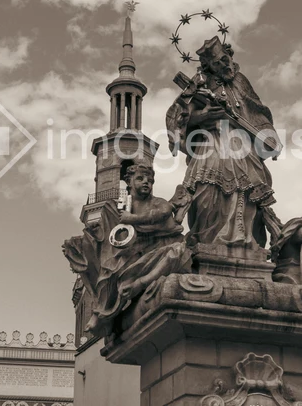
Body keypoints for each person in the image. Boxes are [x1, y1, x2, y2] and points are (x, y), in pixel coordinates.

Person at [166, 36, 282, 249]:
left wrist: (268, 136)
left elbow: (257, 111)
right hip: (212, 141)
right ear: (208, 66)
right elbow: (180, 114)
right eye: (217, 63)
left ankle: (245, 241)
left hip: (242, 144)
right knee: (206, 192)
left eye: (225, 59)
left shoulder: (240, 81)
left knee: (249, 191)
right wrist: (203, 116)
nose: (225, 65)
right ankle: (207, 239)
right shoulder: (199, 83)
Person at [62, 161, 191, 336]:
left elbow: (164, 212)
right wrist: (88, 238)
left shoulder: (157, 202)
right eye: (140, 178)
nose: (146, 182)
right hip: (130, 248)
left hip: (157, 244)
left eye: (150, 180)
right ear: (129, 182)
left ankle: (106, 311)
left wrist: (132, 219)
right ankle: (103, 312)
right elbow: (107, 234)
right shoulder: (119, 207)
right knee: (111, 267)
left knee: (170, 254)